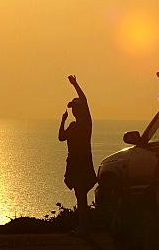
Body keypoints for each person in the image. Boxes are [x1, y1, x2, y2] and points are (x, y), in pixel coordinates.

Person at [59, 74, 96, 232]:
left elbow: (85, 100)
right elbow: (61, 137)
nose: (74, 110)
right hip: (73, 161)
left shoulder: (86, 123)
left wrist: (75, 84)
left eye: (76, 107)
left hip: (82, 161)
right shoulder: (73, 125)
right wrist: (62, 121)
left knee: (81, 194)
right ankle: (83, 224)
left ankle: (84, 225)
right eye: (73, 108)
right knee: (79, 195)